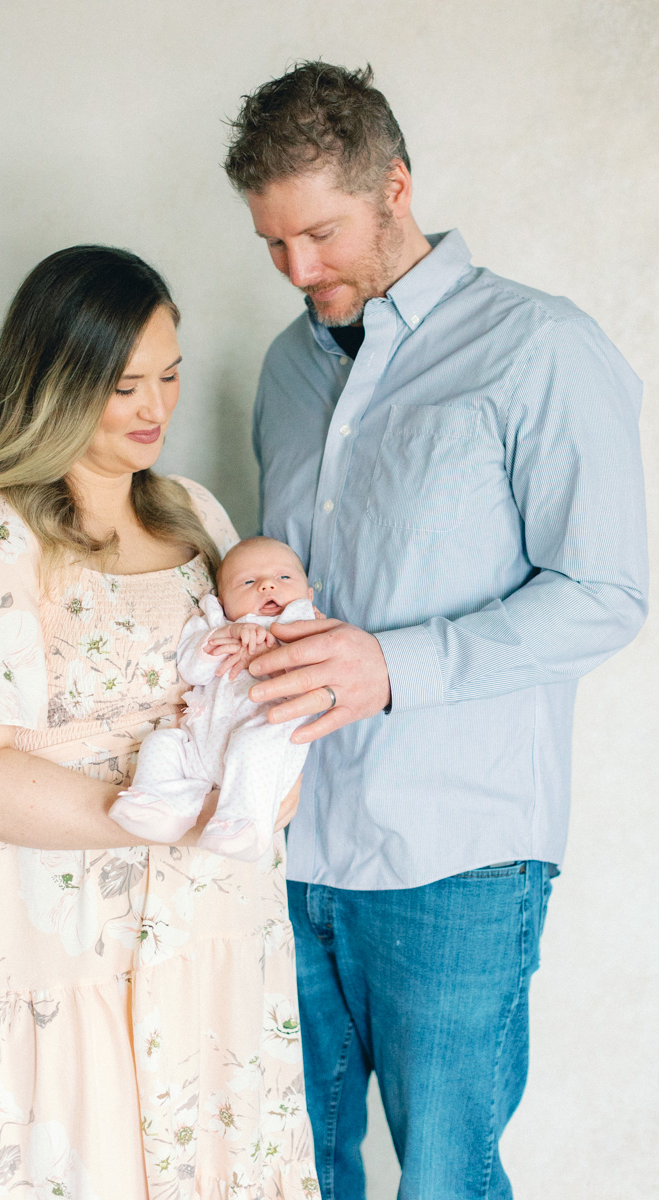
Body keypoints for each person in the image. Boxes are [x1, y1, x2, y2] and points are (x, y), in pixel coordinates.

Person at [223, 62, 648, 1200]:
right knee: (284, 1174)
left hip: (452, 859)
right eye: (272, 244)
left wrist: (390, 667)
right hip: (283, 848)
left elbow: (604, 591)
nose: (298, 272)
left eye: (318, 233)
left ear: (395, 186)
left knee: (441, 1184)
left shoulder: (539, 348)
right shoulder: (281, 370)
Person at [0, 245, 320, 1200]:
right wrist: (157, 812)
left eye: (169, 375)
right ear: (56, 380)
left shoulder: (197, 516)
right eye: (125, 385)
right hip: (66, 930)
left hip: (218, 926)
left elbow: (252, 683)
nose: (156, 409)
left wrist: (267, 775)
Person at [110, 536, 317, 859]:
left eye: (284, 578)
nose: (266, 586)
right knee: (163, 744)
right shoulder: (212, 625)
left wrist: (273, 655)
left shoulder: (306, 627)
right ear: (222, 600)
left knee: (251, 746)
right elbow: (192, 671)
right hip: (201, 742)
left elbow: (313, 680)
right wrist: (218, 640)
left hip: (263, 740)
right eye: (248, 581)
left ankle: (242, 826)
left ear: (308, 594)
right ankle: (161, 803)